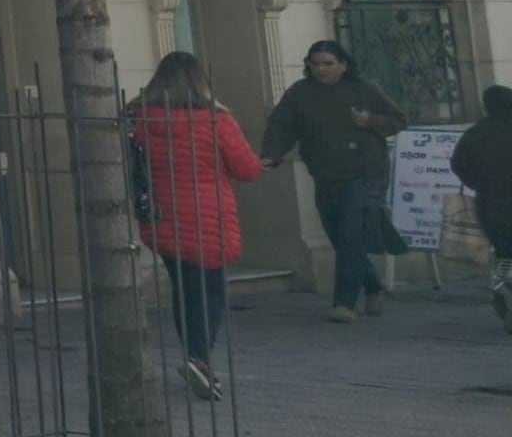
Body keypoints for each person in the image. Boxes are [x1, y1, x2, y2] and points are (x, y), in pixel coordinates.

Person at [129, 51, 260, 400]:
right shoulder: (215, 119)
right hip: (207, 217)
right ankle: (199, 359)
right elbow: (248, 169)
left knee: (185, 288)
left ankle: (194, 355)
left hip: (161, 216)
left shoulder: (137, 117)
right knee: (211, 291)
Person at [262, 38, 409, 324]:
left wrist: (370, 121)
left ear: (343, 64)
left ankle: (344, 303)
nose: (322, 70)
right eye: (315, 64)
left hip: (365, 172)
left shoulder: (364, 88)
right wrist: (272, 155)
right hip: (326, 174)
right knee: (339, 236)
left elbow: (398, 120)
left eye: (329, 64)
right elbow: (281, 126)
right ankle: (373, 285)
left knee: (351, 233)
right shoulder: (300, 93)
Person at [450, 85, 512, 336]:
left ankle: (506, 297)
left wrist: (479, 184)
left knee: (505, 255)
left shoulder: (477, 133)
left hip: (491, 205)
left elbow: (458, 164)